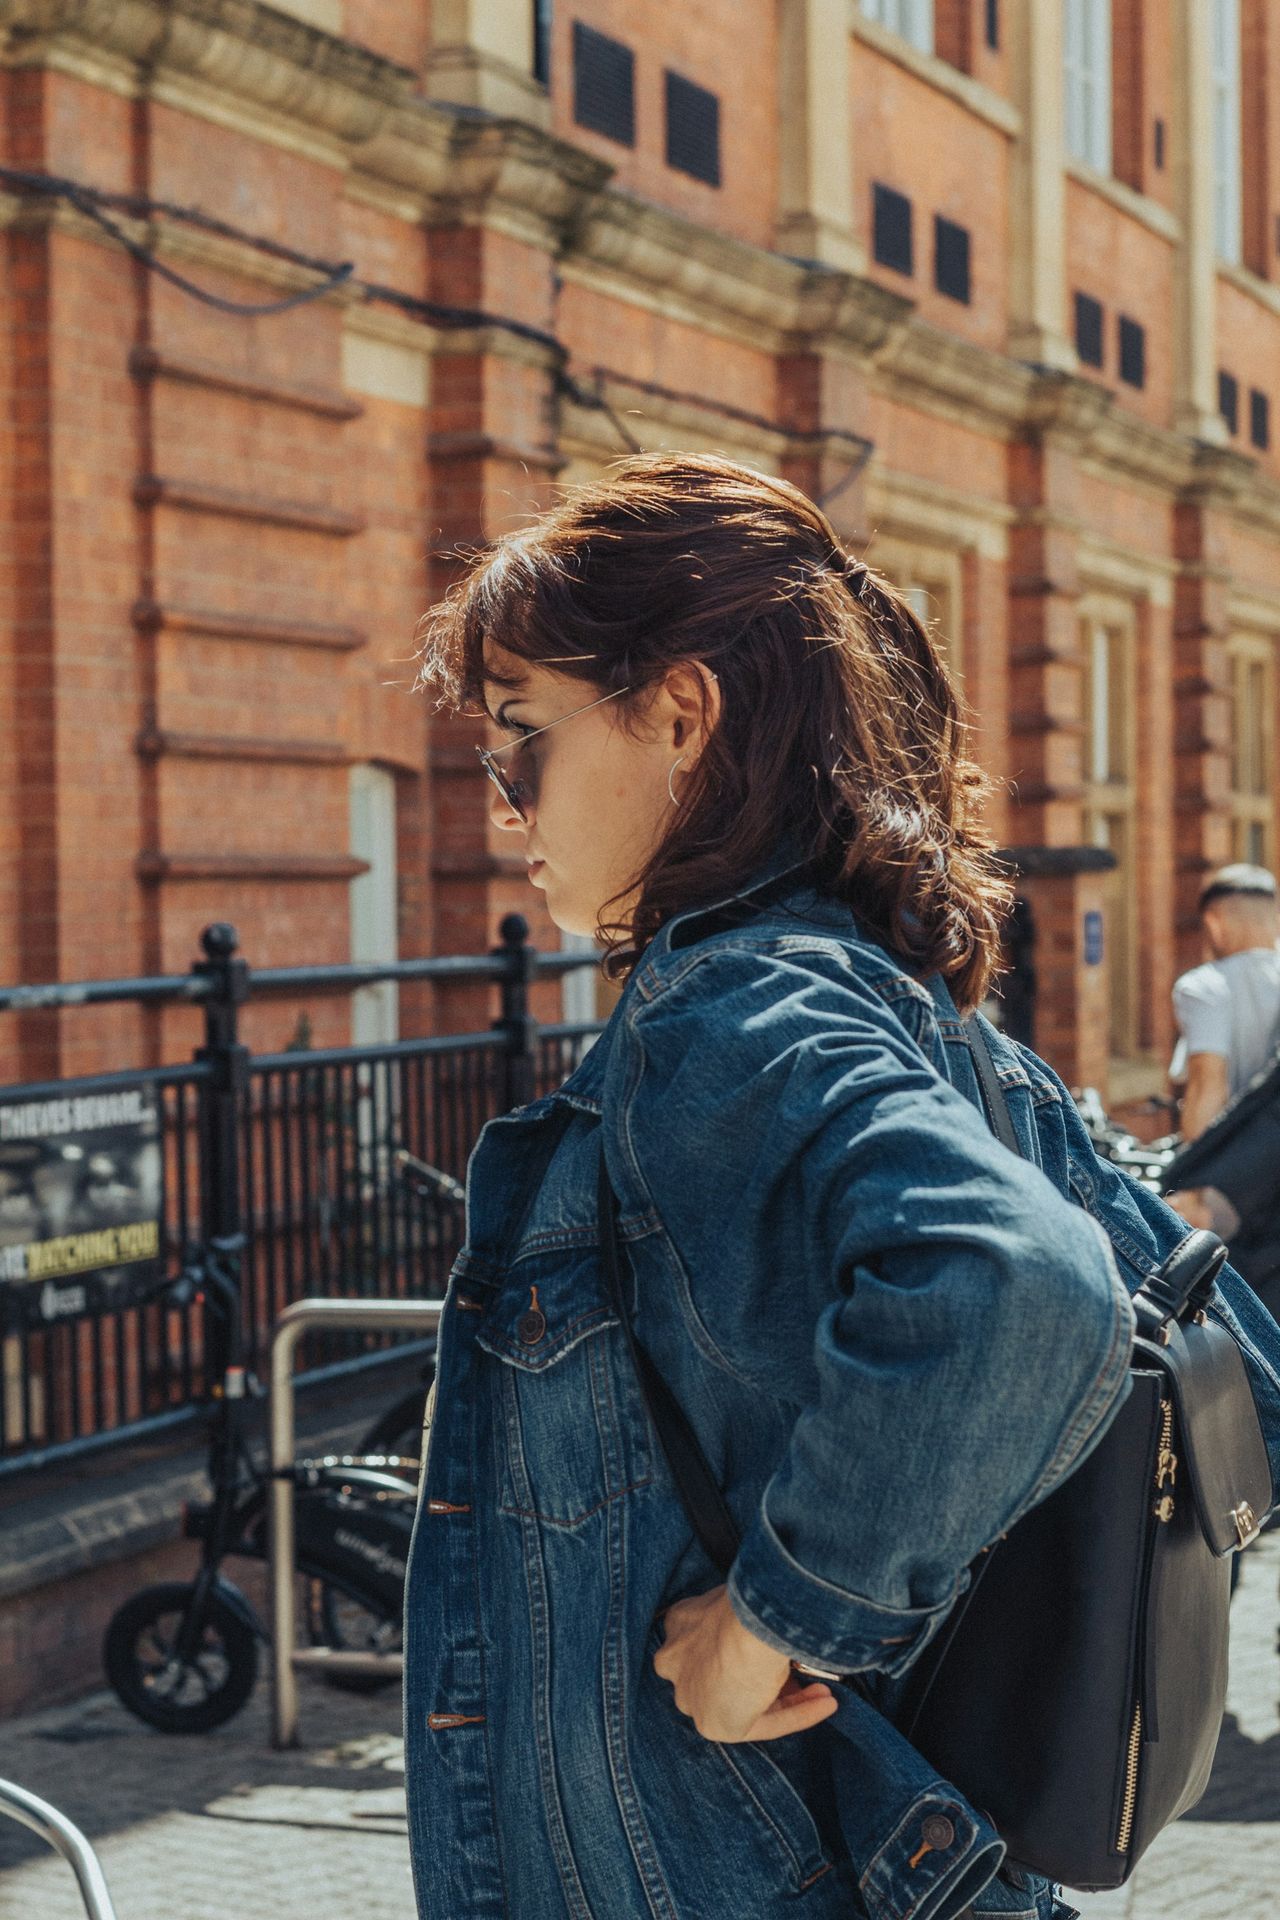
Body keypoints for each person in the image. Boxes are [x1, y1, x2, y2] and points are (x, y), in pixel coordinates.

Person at [406, 454, 1280, 1920]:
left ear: (680, 714)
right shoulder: (901, 1003)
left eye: (520, 742)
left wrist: (777, 1622)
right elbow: (1240, 1375)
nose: (506, 802)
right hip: (913, 1858)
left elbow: (1015, 1286)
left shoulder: (728, 1009)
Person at [1165, 865, 1280, 1240]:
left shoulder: (1206, 987)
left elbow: (1207, 1089)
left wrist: (1190, 1172)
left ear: (1215, 924)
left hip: (1236, 1194)